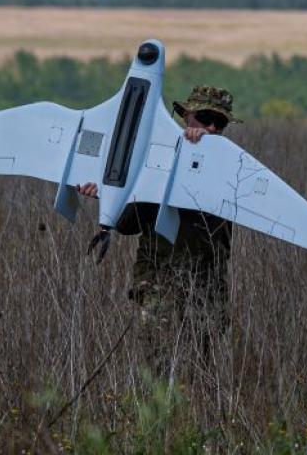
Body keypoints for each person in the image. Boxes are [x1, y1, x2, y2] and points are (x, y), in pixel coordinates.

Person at [74, 85, 241, 373]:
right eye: (203, 117)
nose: (211, 128)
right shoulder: (159, 157)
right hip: (158, 279)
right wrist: (108, 197)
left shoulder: (232, 165)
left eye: (220, 123)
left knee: (203, 368)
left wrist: (198, 157)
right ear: (186, 116)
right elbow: (129, 224)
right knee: (158, 366)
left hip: (207, 282)